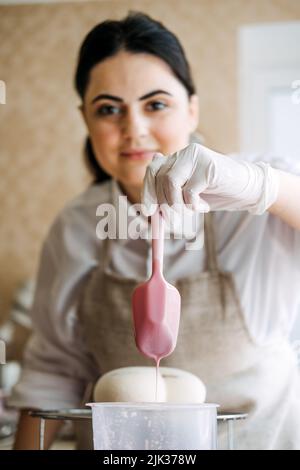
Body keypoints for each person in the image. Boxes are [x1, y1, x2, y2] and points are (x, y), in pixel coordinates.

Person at [8, 11, 300, 450]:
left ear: (192, 108)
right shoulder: (77, 225)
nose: (134, 130)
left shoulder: (253, 199)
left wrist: (260, 185)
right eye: (109, 110)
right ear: (85, 119)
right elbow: (54, 369)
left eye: (156, 104)